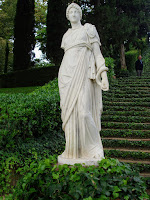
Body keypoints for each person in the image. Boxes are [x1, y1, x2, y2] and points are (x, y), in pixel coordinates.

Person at [58, 3, 109, 164]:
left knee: (83, 112)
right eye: (70, 11)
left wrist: (104, 75)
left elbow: (97, 53)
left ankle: (95, 148)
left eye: (76, 11)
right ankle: (73, 150)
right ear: (67, 16)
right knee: (70, 113)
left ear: (80, 14)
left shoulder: (88, 29)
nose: (73, 13)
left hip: (84, 73)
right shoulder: (66, 35)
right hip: (66, 74)